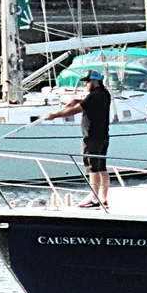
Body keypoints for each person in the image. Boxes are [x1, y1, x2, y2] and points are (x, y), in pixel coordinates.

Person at [46, 70, 112, 208]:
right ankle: (103, 198)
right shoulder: (104, 94)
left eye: (87, 82)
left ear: (94, 81)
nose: (86, 84)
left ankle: (94, 200)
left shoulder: (94, 96)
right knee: (101, 168)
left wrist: (54, 115)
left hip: (92, 137)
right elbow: (86, 103)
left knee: (93, 169)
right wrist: (77, 100)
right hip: (103, 136)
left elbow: (74, 110)